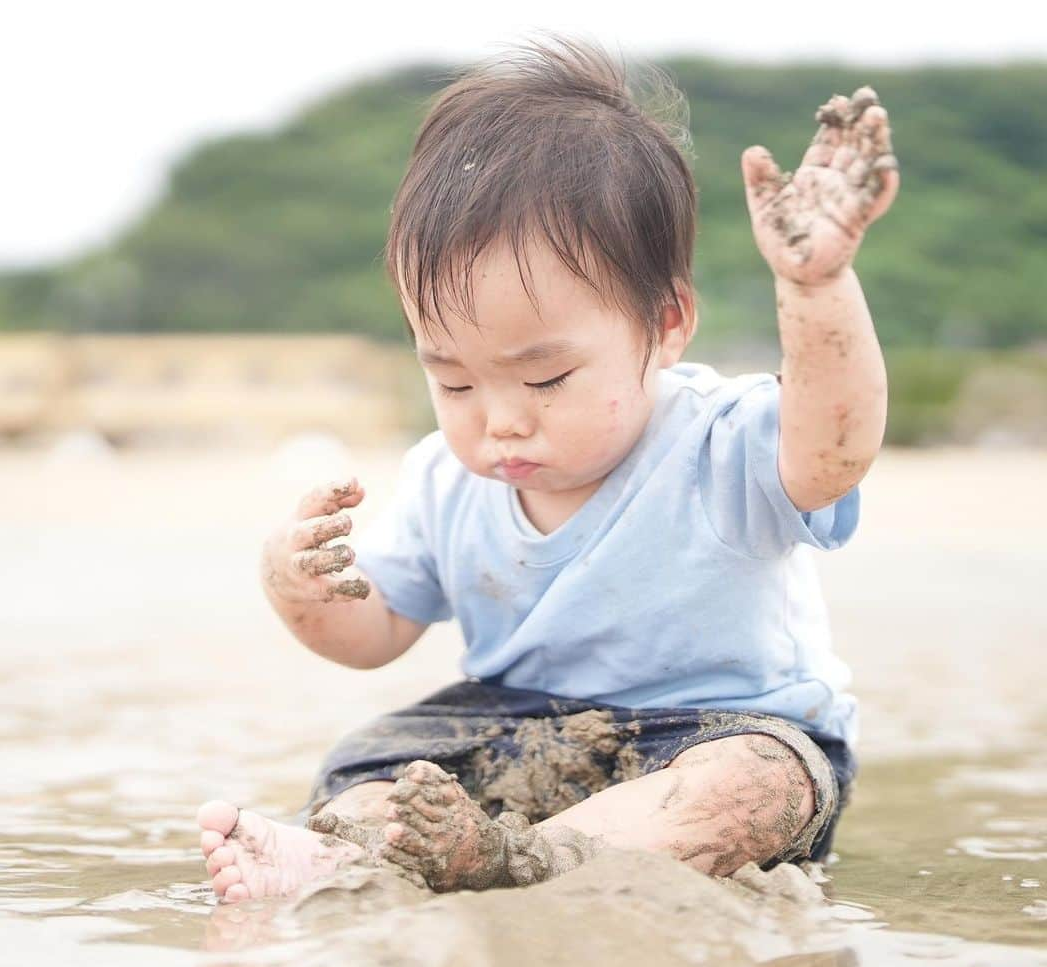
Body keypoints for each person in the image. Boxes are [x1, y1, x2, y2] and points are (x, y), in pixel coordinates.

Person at [197, 35, 900, 903]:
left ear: (667, 321)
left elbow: (835, 447)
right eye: (451, 379)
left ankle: (525, 863)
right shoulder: (445, 481)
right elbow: (372, 635)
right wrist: (298, 591)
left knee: (755, 786)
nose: (500, 419)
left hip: (712, 730)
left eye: (546, 377)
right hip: (516, 731)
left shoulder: (721, 443)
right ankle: (355, 856)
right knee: (377, 760)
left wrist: (817, 286)